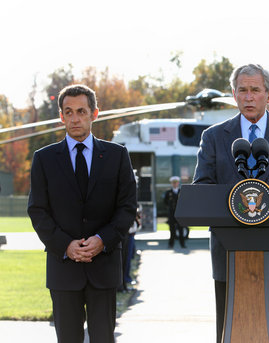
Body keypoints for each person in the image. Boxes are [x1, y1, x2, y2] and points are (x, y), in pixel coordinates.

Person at [193, 63, 269, 343]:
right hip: (228, 252)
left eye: (255, 90)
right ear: (234, 94)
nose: (249, 97)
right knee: (230, 329)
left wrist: (266, 204)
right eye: (243, 90)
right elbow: (202, 186)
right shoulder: (213, 136)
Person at [27, 84, 137, 343]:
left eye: (81, 111)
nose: (74, 118)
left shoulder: (117, 155)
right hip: (63, 268)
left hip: (105, 266)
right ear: (61, 116)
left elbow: (127, 208)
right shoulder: (43, 159)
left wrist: (103, 240)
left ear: (94, 114)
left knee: (103, 339)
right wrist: (66, 245)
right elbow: (37, 210)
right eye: (68, 112)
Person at [163, 176, 186, 248]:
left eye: (176, 183)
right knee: (172, 230)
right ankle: (171, 244)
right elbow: (165, 202)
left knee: (181, 229)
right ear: (171, 183)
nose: (175, 184)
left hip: (180, 214)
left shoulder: (181, 191)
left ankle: (182, 244)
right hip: (172, 213)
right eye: (173, 183)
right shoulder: (168, 192)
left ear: (178, 183)